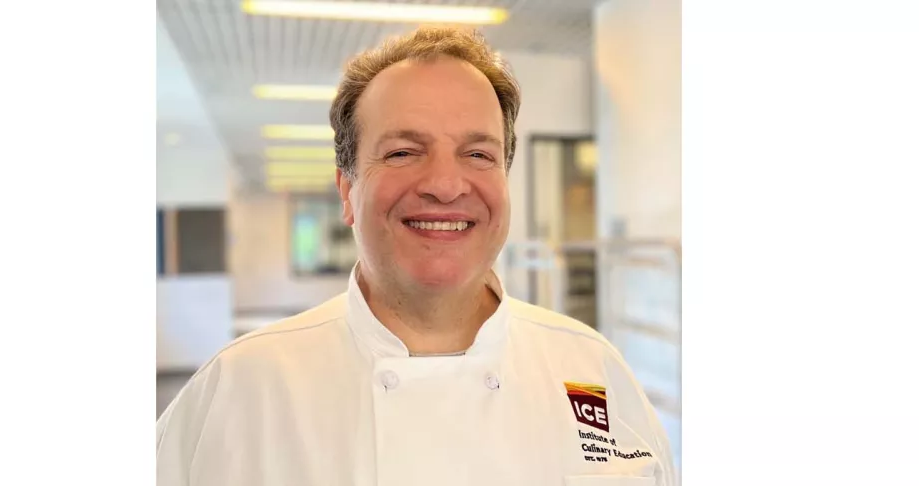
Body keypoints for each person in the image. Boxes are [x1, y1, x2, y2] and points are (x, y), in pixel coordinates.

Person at [156, 26, 676, 486]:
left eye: (478, 154)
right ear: (346, 190)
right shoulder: (241, 388)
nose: (447, 186)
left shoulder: (592, 367)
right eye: (403, 152)